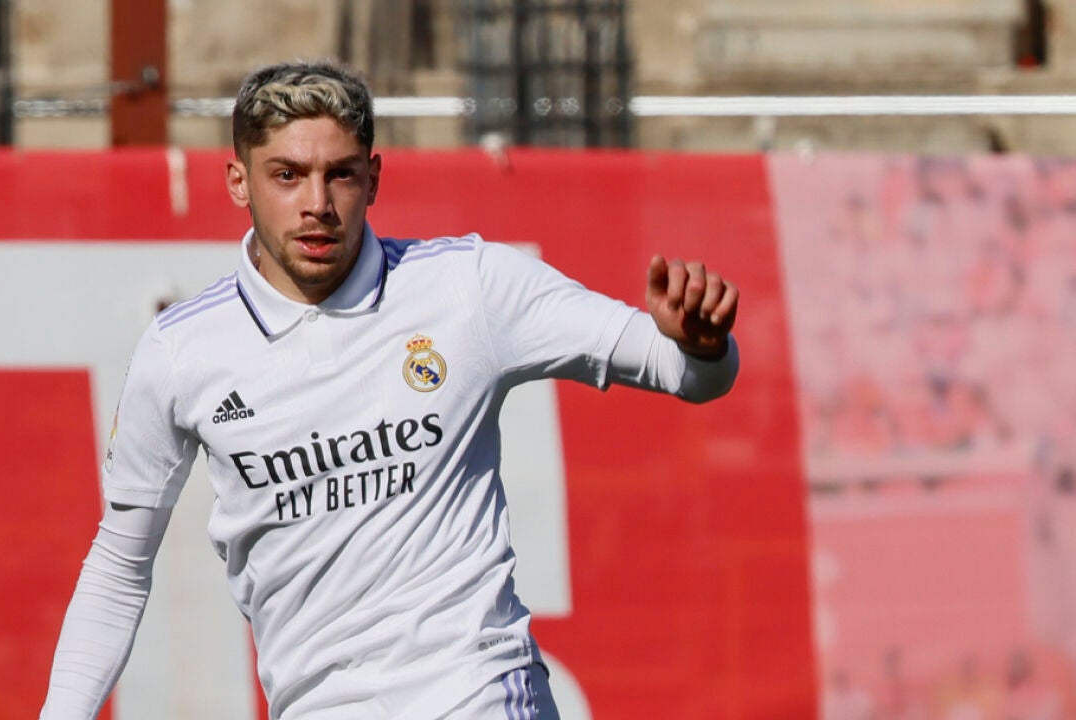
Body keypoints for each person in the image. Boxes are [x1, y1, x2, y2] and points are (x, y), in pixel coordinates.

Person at [39, 59, 740, 720]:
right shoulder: (180, 350)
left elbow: (684, 374)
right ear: (238, 182)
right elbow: (119, 567)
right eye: (287, 176)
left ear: (372, 178)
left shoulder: (469, 286)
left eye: (339, 175)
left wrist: (702, 345)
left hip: (476, 691)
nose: (317, 205)